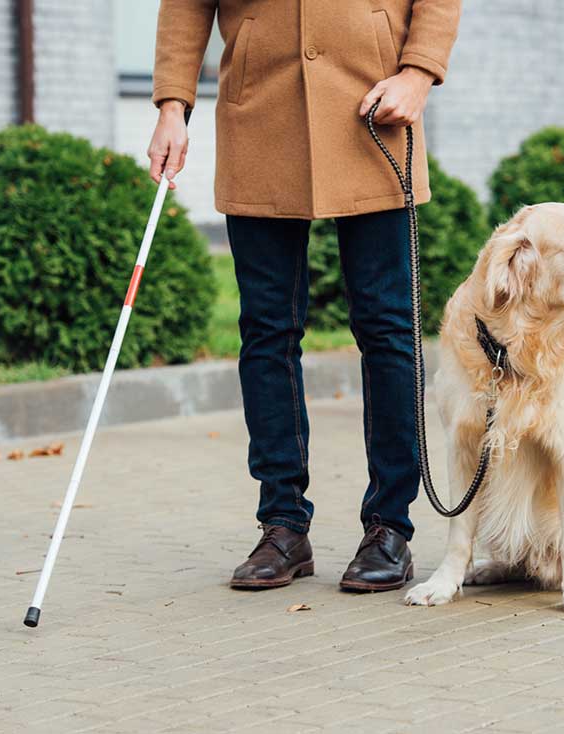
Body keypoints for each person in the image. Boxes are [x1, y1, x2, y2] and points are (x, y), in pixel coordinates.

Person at [147, 1, 461, 592]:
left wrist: (418, 72)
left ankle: (390, 527)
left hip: (373, 111)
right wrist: (172, 105)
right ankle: (283, 525)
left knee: (387, 328)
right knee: (266, 330)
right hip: (259, 114)